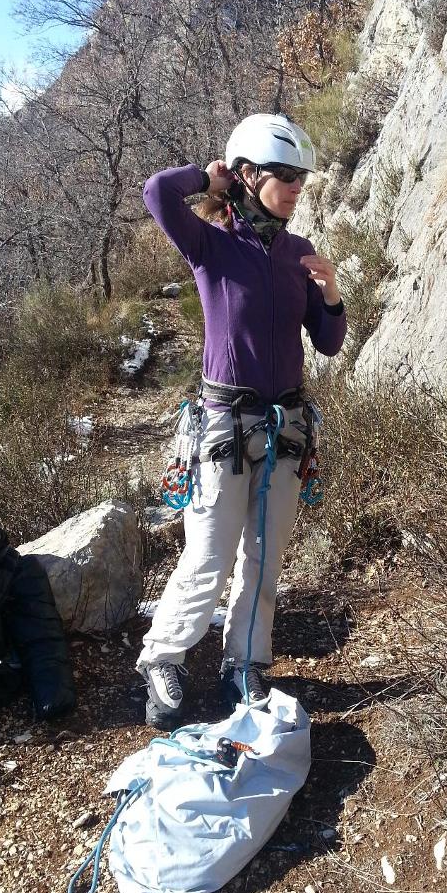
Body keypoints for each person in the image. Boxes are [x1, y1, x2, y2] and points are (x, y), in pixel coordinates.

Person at [135, 113, 347, 728]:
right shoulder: (211, 244)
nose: (297, 188)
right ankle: (162, 658)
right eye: (285, 176)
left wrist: (330, 293)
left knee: (263, 557)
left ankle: (244, 664)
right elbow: (157, 193)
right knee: (209, 554)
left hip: (284, 428)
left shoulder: (298, 255)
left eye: (301, 178)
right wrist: (207, 179)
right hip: (225, 426)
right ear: (251, 176)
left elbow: (328, 342)